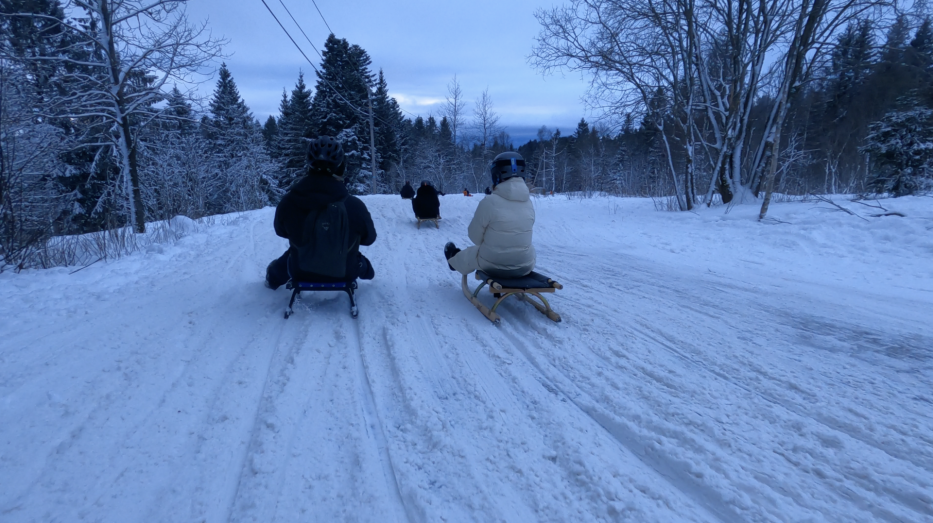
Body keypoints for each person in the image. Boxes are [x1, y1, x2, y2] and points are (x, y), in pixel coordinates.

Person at [265, 136, 377, 289]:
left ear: (309, 166)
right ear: (340, 166)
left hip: (299, 271)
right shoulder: (354, 205)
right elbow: (369, 238)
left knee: (293, 253)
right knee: (356, 258)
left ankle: (273, 278)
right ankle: (368, 272)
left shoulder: (289, 201)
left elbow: (281, 231)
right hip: (345, 272)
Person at [444, 152, 535, 278]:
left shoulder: (489, 202)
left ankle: (453, 260)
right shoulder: (528, 203)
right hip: (524, 265)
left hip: (494, 266)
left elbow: (474, 237)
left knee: (474, 253)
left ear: (496, 175)